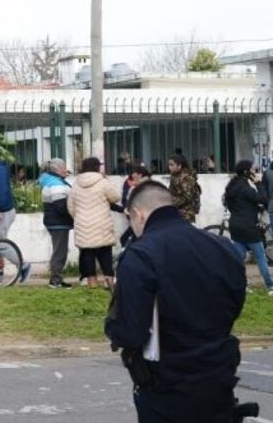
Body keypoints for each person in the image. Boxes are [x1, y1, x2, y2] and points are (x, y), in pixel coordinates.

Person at [106, 181, 246, 422]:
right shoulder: (222, 246)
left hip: (167, 384)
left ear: (138, 214)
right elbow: (236, 301)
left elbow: (130, 332)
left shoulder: (140, 254)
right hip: (217, 377)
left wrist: (112, 328)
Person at [68, 157, 121, 290]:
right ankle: (109, 281)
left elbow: (71, 206)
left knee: (87, 253)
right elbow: (115, 197)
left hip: (82, 224)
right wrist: (107, 180)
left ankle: (91, 282)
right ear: (97, 167)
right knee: (105, 252)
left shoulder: (76, 184)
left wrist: (79, 217)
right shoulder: (102, 182)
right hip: (101, 223)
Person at [225, 160, 273, 294]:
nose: (255, 171)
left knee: (239, 260)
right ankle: (270, 286)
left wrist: (253, 207)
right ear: (246, 172)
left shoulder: (233, 186)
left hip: (235, 226)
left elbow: (239, 205)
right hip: (249, 228)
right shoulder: (245, 187)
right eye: (252, 169)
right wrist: (258, 183)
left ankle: (242, 285)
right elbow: (263, 199)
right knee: (260, 257)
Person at [40, 159, 73, 289]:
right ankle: (55, 280)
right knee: (60, 252)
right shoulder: (56, 184)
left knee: (59, 250)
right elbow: (60, 206)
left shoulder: (52, 181)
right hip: (59, 222)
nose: (66, 169)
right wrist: (73, 215)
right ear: (58, 169)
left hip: (55, 221)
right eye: (64, 167)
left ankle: (56, 278)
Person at [168, 154, 201, 223]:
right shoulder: (175, 177)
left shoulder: (184, 178)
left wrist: (173, 204)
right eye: (169, 165)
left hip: (185, 213)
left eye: (172, 165)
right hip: (178, 212)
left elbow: (187, 196)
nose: (169, 167)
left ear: (179, 166)